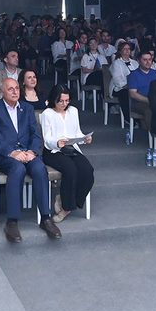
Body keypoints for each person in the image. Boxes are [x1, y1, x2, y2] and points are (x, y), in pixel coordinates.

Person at [0, 78, 60, 242]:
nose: (15, 92)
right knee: (18, 169)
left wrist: (32, 151)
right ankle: (12, 221)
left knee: (39, 168)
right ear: (2, 91)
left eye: (17, 88)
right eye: (10, 89)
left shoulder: (27, 108)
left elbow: (35, 133)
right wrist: (12, 153)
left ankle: (46, 218)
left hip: (27, 152)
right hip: (4, 155)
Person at [40, 85, 94, 223]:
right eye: (61, 101)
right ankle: (66, 207)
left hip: (70, 148)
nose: (64, 104)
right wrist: (57, 142)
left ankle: (68, 201)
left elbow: (76, 132)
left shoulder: (73, 111)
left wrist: (84, 139)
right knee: (70, 170)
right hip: (53, 151)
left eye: (67, 100)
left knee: (87, 170)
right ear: (54, 100)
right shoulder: (47, 114)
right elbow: (47, 138)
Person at [109, 42, 138, 121]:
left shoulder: (135, 63)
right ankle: (128, 118)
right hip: (119, 88)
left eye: (128, 49)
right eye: (124, 49)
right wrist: (127, 85)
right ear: (120, 51)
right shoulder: (116, 63)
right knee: (125, 94)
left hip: (134, 87)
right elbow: (117, 79)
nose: (127, 50)